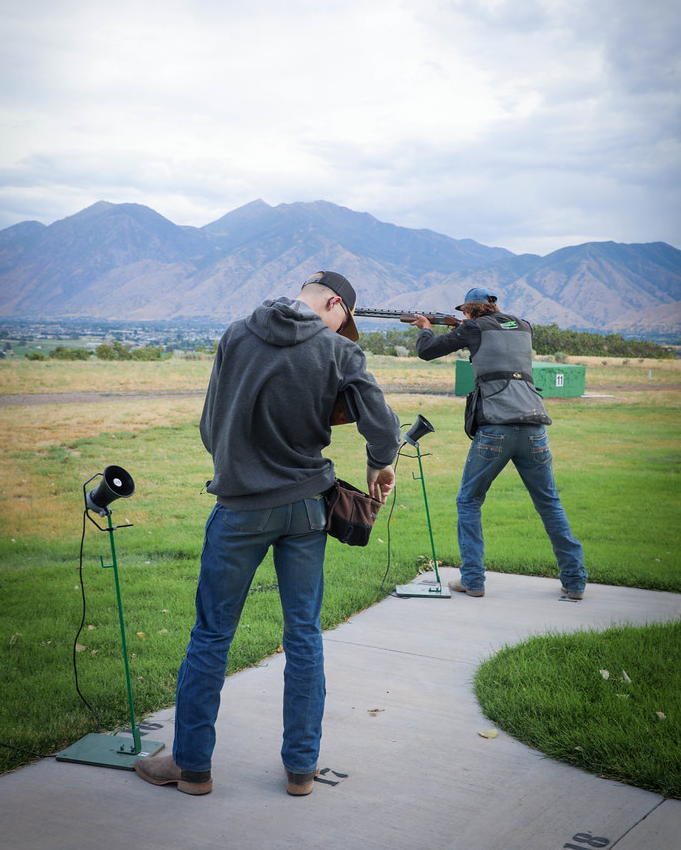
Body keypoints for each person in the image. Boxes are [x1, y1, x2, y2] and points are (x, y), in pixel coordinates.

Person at [134, 270, 400, 798]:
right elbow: (385, 429)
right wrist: (379, 465)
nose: (342, 328)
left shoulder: (236, 333)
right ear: (334, 303)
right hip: (306, 510)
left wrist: (243, 461)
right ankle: (301, 771)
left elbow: (210, 426)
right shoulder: (338, 353)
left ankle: (191, 769)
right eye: (343, 318)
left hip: (238, 511)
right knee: (303, 635)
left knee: (211, 636)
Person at [411, 286, 587, 601]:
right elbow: (497, 335)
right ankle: (575, 582)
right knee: (550, 504)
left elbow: (427, 351)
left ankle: (473, 581)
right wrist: (462, 326)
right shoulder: (523, 325)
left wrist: (426, 328)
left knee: (468, 501)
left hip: (496, 427)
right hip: (534, 424)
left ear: (469, 310)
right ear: (492, 305)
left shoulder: (472, 328)